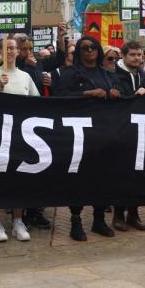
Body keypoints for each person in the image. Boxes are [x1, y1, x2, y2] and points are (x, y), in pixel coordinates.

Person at [54, 36, 120, 240]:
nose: (89, 51)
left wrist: (117, 93)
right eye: (84, 48)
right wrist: (88, 93)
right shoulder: (69, 73)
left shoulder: (107, 73)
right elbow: (60, 97)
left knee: (103, 177)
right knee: (79, 178)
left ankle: (99, 219)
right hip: (79, 134)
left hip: (103, 133)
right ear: (79, 52)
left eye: (93, 47)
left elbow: (120, 94)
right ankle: (76, 220)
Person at [0, 38, 38, 242]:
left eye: (14, 48)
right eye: (7, 48)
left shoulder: (25, 76)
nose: (11, 51)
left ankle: (18, 221)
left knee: (19, 179)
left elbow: (37, 103)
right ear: (0, 51)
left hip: (21, 135)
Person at [112, 40, 145, 232]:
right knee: (121, 174)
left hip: (140, 132)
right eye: (133, 55)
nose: (137, 58)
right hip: (120, 131)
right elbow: (115, 101)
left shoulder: (144, 74)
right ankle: (118, 214)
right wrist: (134, 95)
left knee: (139, 173)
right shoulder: (113, 75)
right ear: (123, 56)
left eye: (140, 55)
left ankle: (134, 213)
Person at [14, 34, 53, 230]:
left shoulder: (36, 66)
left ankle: (36, 211)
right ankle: (21, 212)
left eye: (30, 49)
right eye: (23, 49)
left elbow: (37, 89)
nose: (28, 53)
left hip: (36, 123)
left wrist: (47, 83)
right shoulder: (13, 68)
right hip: (17, 124)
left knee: (39, 166)